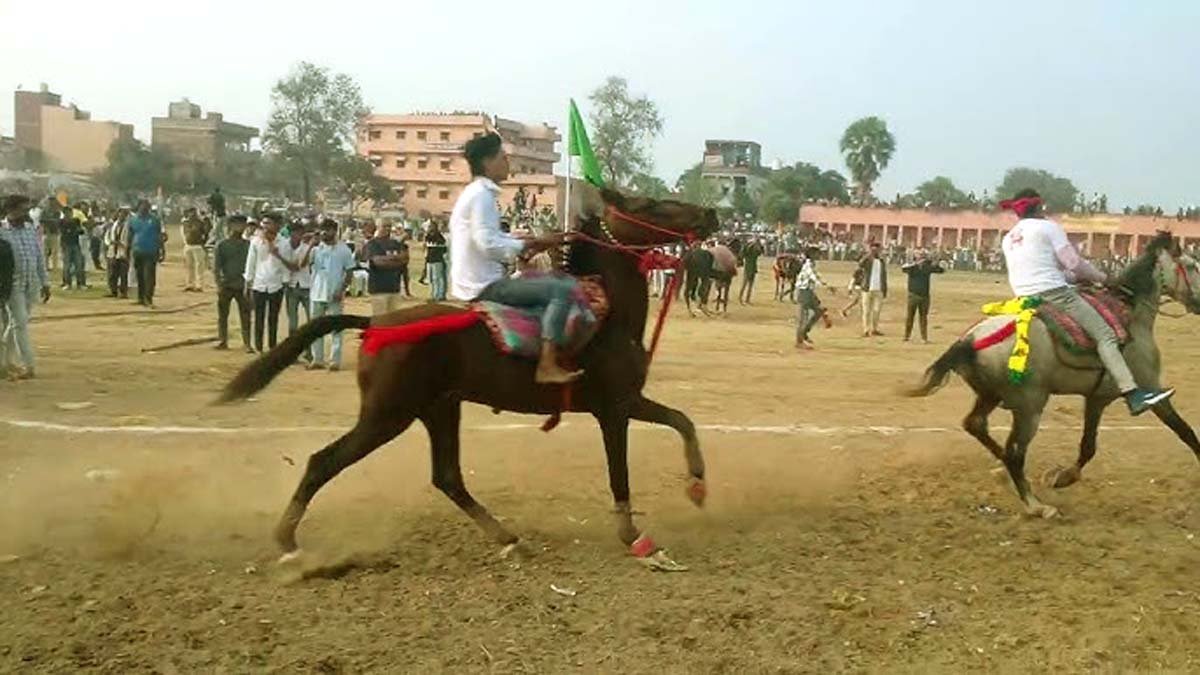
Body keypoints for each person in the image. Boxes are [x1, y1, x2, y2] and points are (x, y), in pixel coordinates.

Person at [999, 189, 1173, 415]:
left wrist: (1074, 277)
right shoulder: (1049, 227)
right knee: (1106, 335)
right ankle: (1133, 394)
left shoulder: (1008, 237)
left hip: (1023, 299)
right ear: (1040, 207)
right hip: (1057, 295)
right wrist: (1102, 278)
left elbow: (1044, 270)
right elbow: (1073, 263)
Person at [450, 132, 579, 384]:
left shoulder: (476, 193)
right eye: (503, 157)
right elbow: (487, 243)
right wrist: (528, 244)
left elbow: (492, 238)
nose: (507, 162)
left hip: (480, 279)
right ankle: (547, 364)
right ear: (488, 163)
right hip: (485, 285)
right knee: (562, 290)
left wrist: (533, 242)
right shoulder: (481, 195)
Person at [0, 195, 51, 379]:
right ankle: (28, 365)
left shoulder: (30, 229)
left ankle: (5, 362)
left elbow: (38, 257)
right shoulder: (2, 231)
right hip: (12, 285)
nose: (26, 213)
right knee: (19, 324)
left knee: (16, 324)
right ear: (10, 210)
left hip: (31, 283)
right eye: (22, 210)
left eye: (27, 210)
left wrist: (45, 282)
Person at [308, 219, 357, 371]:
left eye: (327, 230)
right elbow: (305, 266)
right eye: (322, 230)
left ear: (334, 231)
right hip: (317, 293)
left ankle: (334, 361)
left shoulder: (344, 250)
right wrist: (311, 245)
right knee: (316, 328)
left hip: (334, 294)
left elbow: (349, 273)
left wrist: (341, 290)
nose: (324, 233)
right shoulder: (316, 249)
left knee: (336, 328)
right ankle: (318, 359)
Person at [243, 216, 288, 352]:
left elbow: (285, 264)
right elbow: (250, 263)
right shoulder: (256, 242)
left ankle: (272, 346)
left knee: (273, 318)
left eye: (268, 223)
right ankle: (259, 347)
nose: (265, 225)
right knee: (259, 317)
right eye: (263, 223)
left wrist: (285, 281)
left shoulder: (284, 242)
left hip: (277, 284)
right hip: (259, 283)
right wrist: (248, 282)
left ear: (276, 225)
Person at [213, 215, 253, 352]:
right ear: (229, 226)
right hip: (226, 285)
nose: (240, 228)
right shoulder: (222, 245)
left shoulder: (249, 245)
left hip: (243, 286)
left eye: (242, 225)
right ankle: (223, 340)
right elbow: (216, 268)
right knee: (223, 315)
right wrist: (218, 284)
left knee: (246, 316)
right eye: (237, 225)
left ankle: (247, 343)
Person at [277, 223, 314, 339]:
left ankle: (309, 350)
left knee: (311, 319)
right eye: (296, 232)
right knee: (292, 321)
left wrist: (310, 247)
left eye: (300, 233)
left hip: (306, 285)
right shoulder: (283, 246)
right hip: (291, 286)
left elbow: (299, 266)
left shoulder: (306, 247)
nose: (298, 235)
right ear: (291, 233)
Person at [902, 251, 944, 343]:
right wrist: (916, 263)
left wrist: (936, 262)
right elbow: (904, 269)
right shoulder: (912, 267)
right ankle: (906, 336)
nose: (921, 257)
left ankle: (924, 338)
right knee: (910, 317)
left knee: (923, 317)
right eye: (919, 255)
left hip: (924, 296)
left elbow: (940, 270)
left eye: (922, 255)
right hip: (913, 295)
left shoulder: (927, 267)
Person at [365, 221, 407, 315]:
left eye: (389, 226)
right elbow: (377, 262)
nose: (387, 229)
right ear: (378, 227)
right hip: (378, 289)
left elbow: (404, 259)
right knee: (381, 320)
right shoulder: (372, 244)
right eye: (384, 226)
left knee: (393, 321)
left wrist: (387, 260)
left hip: (394, 288)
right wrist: (396, 258)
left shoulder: (396, 243)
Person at [794, 248, 832, 349]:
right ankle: (799, 340)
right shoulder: (808, 265)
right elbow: (813, 277)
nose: (819, 255)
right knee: (804, 317)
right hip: (804, 291)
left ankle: (804, 333)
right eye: (817, 253)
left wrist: (824, 284)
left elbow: (816, 276)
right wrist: (825, 286)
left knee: (819, 311)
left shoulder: (811, 264)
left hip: (808, 291)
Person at [128, 200, 163, 307]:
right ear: (138, 207)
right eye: (142, 207)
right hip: (138, 251)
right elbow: (130, 236)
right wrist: (127, 250)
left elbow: (159, 235)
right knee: (139, 276)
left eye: (146, 207)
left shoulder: (155, 220)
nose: (144, 209)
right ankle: (140, 298)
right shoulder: (133, 220)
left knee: (149, 276)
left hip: (151, 251)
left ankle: (148, 298)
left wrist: (162, 250)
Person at [857, 240, 888, 337]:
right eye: (873, 248)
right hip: (867, 288)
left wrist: (885, 288)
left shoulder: (881, 261)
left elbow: (884, 275)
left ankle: (874, 329)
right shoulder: (868, 259)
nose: (875, 250)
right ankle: (866, 329)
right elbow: (860, 264)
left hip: (879, 288)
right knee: (866, 311)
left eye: (877, 248)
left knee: (876, 311)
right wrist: (868, 254)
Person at [181, 208, 210, 292]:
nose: (192, 214)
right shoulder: (185, 223)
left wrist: (203, 242)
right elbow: (184, 233)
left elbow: (206, 232)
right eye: (191, 212)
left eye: (193, 212)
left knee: (199, 267)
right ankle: (190, 284)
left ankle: (199, 285)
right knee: (189, 266)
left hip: (197, 245)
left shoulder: (200, 222)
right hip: (188, 245)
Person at [104, 208, 131, 298]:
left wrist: (124, 245)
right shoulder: (113, 225)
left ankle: (123, 292)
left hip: (123, 251)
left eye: (123, 214)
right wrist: (110, 243)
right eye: (120, 214)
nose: (121, 216)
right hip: (112, 251)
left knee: (123, 274)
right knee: (112, 273)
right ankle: (113, 290)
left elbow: (129, 239)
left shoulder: (128, 226)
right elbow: (107, 236)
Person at [58, 207, 86, 290]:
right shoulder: (61, 222)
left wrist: (74, 230)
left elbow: (81, 231)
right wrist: (73, 231)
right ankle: (67, 283)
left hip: (75, 244)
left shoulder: (76, 220)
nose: (68, 214)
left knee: (79, 265)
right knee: (67, 266)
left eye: (70, 212)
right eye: (66, 213)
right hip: (66, 245)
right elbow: (64, 232)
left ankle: (80, 283)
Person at [425, 221, 448, 301]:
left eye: (431, 226)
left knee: (437, 278)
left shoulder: (439, 237)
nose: (429, 228)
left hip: (437, 260)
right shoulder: (428, 236)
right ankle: (432, 295)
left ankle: (439, 295)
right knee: (431, 278)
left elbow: (444, 249)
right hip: (429, 260)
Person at [738, 237, 763, 304]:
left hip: (752, 268)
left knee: (749, 285)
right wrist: (751, 244)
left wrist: (756, 245)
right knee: (745, 284)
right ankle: (741, 298)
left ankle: (746, 299)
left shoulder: (754, 251)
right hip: (749, 268)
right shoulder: (749, 250)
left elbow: (760, 252)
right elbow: (743, 253)